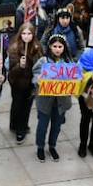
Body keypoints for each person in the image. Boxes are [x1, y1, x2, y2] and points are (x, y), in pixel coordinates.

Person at [33, 33, 73, 161]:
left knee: (57, 126)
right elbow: (35, 74)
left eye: (60, 46)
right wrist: (38, 80)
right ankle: (40, 147)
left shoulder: (68, 62)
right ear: (50, 47)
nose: (57, 49)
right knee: (42, 125)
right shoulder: (43, 61)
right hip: (45, 100)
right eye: (54, 46)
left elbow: (73, 78)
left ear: (64, 48)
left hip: (61, 101)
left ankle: (52, 146)